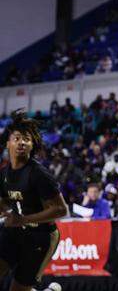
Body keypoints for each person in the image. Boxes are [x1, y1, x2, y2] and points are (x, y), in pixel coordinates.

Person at [0, 111, 69, 291]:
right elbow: (3, 201)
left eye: (27, 139)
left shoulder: (39, 174)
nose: (22, 142)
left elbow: (61, 210)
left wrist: (23, 219)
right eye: (17, 138)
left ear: (32, 145)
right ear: (8, 143)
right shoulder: (4, 173)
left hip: (41, 237)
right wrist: (6, 213)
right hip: (15, 232)